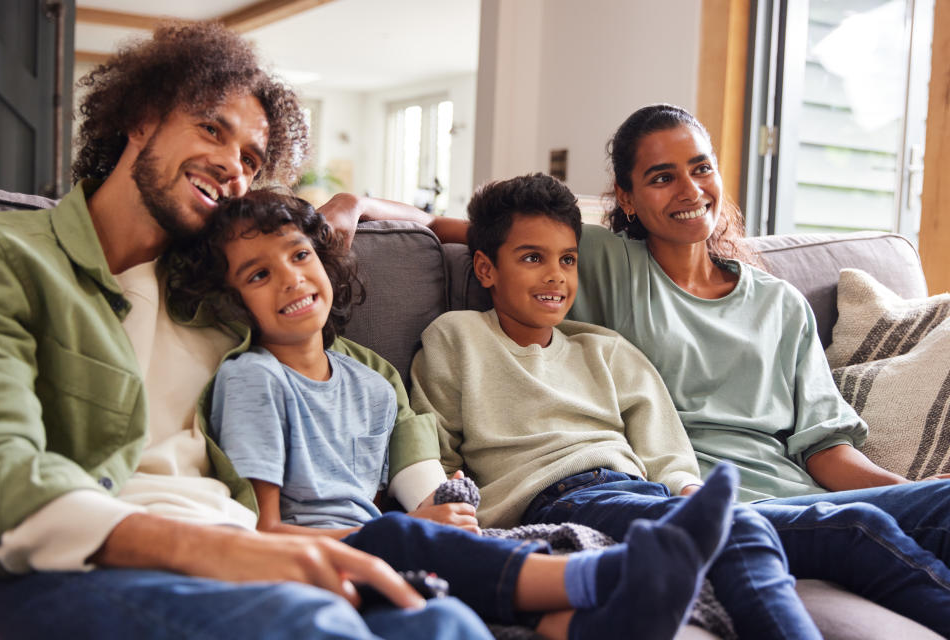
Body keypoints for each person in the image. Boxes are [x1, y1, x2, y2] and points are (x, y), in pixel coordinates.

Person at [0, 21, 490, 639]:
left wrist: (350, 204)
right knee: (309, 622)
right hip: (84, 560)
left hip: (238, 546)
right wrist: (233, 552)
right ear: (143, 116)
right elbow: (3, 470)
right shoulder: (10, 259)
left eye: (251, 160)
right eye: (210, 128)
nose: (231, 166)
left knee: (446, 623)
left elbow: (355, 363)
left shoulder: (223, 290)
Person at [163, 188, 743, 640]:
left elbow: (410, 469)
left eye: (299, 256)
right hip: (312, 550)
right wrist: (402, 530)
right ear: (234, 300)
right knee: (418, 541)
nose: (290, 278)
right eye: (259, 274)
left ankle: (597, 620)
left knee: (464, 583)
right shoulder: (253, 378)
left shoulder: (373, 382)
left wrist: (436, 505)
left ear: (325, 260)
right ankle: (615, 574)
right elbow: (264, 529)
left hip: (385, 540)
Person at [406, 172, 950, 638]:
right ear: (484, 270)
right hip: (554, 502)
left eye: (568, 260)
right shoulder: (456, 337)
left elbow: (664, 449)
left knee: (852, 524)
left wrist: (688, 494)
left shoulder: (605, 349)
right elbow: (435, 445)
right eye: (532, 258)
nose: (555, 275)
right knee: (765, 530)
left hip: (633, 491)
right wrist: (449, 503)